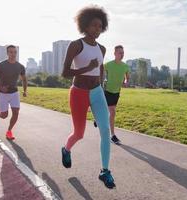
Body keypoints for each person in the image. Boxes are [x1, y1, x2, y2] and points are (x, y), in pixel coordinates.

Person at [61, 6, 115, 189]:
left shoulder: (102, 48)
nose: (97, 29)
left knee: (105, 130)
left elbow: (99, 68)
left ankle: (105, 171)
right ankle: (66, 149)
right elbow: (65, 72)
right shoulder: (76, 45)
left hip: (97, 92)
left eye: (100, 26)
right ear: (85, 25)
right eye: (94, 25)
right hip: (78, 93)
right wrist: (86, 68)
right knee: (79, 133)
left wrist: (100, 85)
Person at [0, 45, 27, 140]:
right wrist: (0, 87)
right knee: (4, 115)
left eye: (15, 52)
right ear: (7, 53)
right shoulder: (1, 65)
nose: (13, 54)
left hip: (14, 93)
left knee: (16, 112)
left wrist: (25, 90)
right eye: (11, 52)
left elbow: (24, 80)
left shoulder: (20, 66)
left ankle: (9, 131)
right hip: (2, 94)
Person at [95, 45, 129, 144]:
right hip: (107, 90)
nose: (122, 54)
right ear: (115, 54)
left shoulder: (125, 66)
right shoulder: (109, 64)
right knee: (111, 111)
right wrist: (100, 81)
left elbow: (127, 77)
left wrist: (126, 82)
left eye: (123, 53)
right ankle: (112, 135)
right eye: (119, 53)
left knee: (109, 111)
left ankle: (98, 118)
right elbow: (100, 69)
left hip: (116, 92)